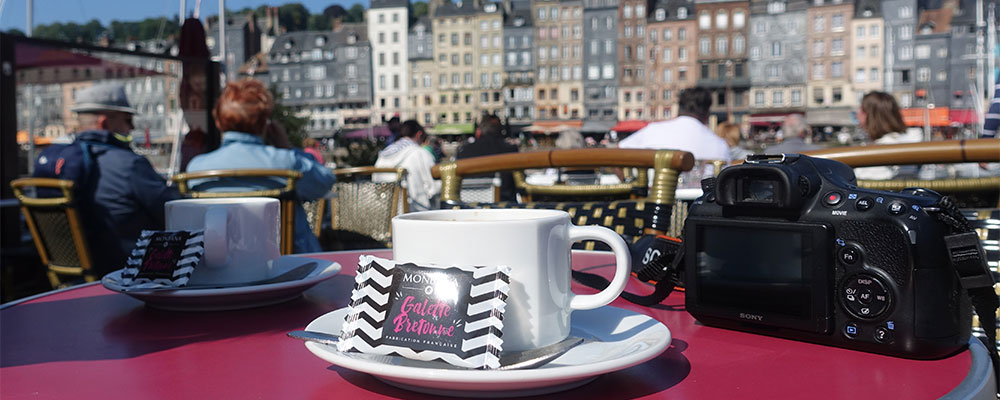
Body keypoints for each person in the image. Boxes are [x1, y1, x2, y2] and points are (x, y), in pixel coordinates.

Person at [33, 83, 181, 274]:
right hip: (133, 274)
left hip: (75, 277)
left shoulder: (60, 161)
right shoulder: (129, 165)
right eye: (128, 120)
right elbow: (174, 213)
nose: (132, 127)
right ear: (104, 122)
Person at [186, 79, 336, 253]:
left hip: (220, 269)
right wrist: (286, 147)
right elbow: (326, 180)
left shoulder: (195, 170)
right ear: (265, 123)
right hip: (286, 267)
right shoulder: (285, 162)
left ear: (218, 123)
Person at [618, 87, 731, 163]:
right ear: (707, 113)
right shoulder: (720, 144)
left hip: (657, 196)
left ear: (679, 108)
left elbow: (616, 155)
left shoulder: (653, 131)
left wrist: (630, 185)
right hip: (702, 197)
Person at [854, 91, 922, 180]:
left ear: (868, 115)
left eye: (861, 110)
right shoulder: (913, 142)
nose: (857, 114)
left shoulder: (876, 153)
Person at [374, 120, 440, 211]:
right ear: (419, 134)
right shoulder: (420, 153)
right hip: (415, 213)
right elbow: (434, 187)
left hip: (386, 213)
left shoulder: (383, 156)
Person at [456, 115, 519, 201]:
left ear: (480, 130)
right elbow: (518, 181)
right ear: (501, 130)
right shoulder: (510, 149)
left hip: (469, 205)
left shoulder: (463, 151)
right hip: (503, 205)